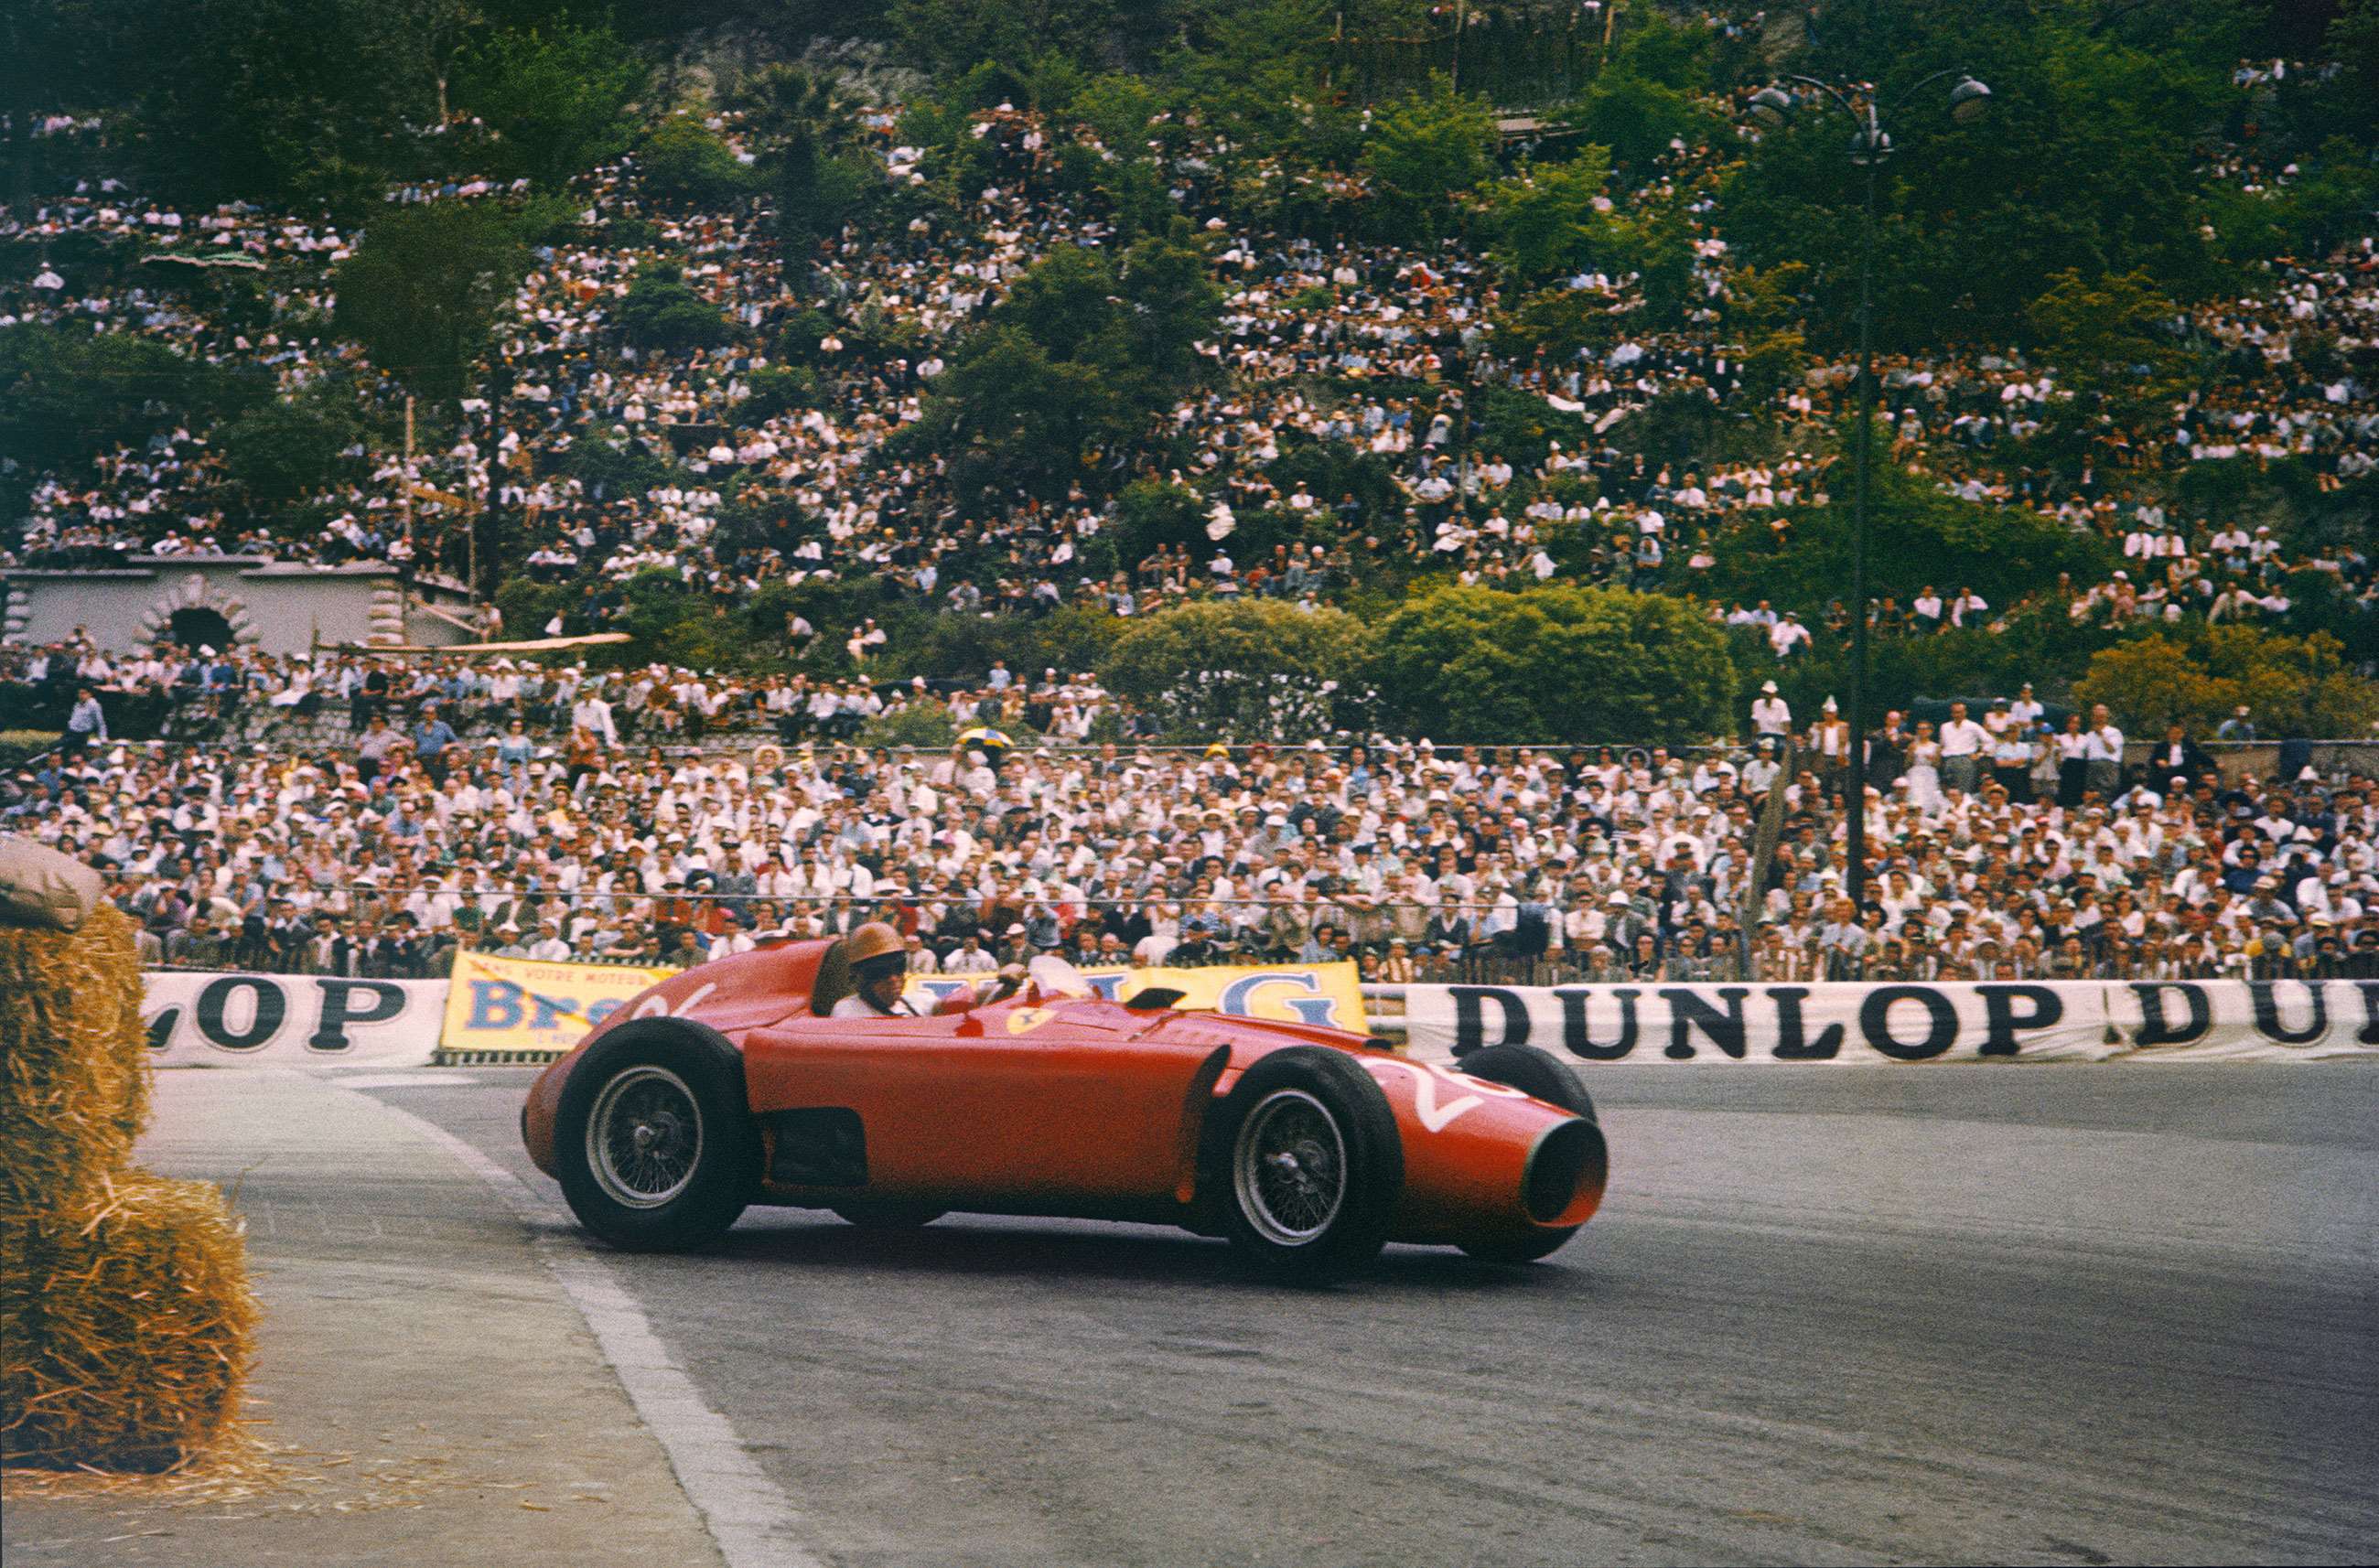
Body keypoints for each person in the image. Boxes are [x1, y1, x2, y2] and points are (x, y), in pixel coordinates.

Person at [832, 921, 918, 1018]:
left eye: (899, 967)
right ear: (859, 977)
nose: (893, 979)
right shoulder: (848, 1011)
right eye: (881, 971)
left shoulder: (911, 1003)